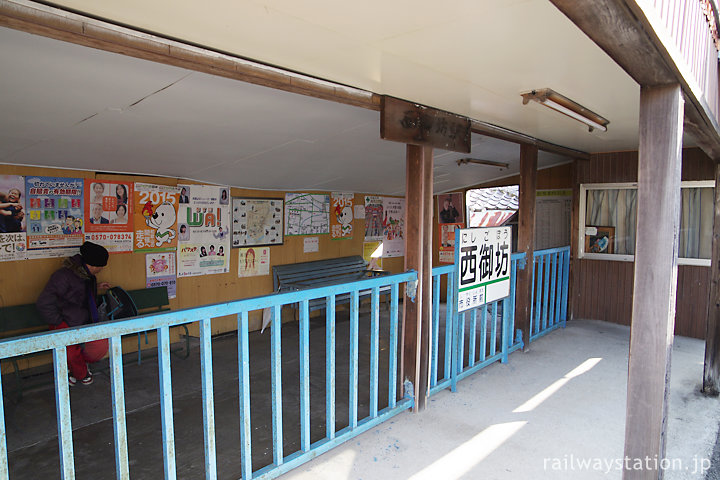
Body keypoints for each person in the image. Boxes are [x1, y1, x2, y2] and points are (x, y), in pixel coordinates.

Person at [36, 242, 111, 386]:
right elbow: (44, 303)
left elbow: (78, 292)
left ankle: (77, 368)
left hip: (83, 322)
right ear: (94, 265)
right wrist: (59, 323)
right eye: (101, 266)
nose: (102, 269)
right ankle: (81, 373)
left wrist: (97, 286)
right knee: (70, 353)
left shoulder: (86, 275)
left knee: (100, 347)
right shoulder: (63, 276)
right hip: (63, 322)